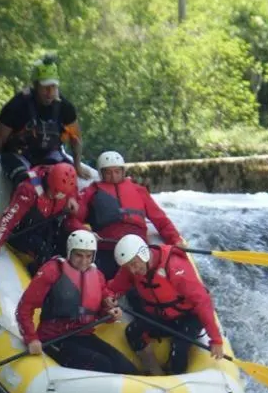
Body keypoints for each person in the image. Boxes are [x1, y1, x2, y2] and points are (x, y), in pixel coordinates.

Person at [14, 230, 139, 375]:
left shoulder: (97, 276)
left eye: (88, 256)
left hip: (83, 335)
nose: (84, 261)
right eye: (79, 255)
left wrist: (110, 313)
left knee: (126, 368)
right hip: (54, 339)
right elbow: (24, 307)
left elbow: (100, 312)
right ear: (69, 252)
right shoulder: (52, 271)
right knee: (102, 365)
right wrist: (31, 338)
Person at [105, 234, 225, 376]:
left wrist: (216, 339)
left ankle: (176, 380)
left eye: (134, 264)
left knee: (179, 348)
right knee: (132, 332)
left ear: (144, 254)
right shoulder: (131, 268)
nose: (132, 270)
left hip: (189, 317)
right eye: (128, 267)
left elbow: (202, 302)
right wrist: (109, 296)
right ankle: (155, 371)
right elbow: (114, 287)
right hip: (163, 315)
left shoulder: (174, 267)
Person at [0, 56, 91, 186]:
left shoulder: (65, 107)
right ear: (35, 85)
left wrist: (77, 166)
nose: (50, 92)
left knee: (66, 178)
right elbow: (0, 138)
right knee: (27, 182)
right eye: (45, 87)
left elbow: (76, 138)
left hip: (49, 153)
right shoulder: (16, 105)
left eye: (53, 86)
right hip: (17, 154)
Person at [67, 150, 184, 278]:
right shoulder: (91, 192)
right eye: (108, 172)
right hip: (107, 247)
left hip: (137, 249)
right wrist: (86, 233)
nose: (113, 176)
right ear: (101, 173)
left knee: (141, 285)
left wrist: (175, 239)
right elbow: (72, 220)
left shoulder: (139, 191)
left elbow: (160, 220)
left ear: (123, 171)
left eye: (117, 171)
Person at [0, 163, 79, 266]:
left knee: (65, 243)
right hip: (22, 231)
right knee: (44, 253)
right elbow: (9, 219)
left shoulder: (65, 183)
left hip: (45, 223)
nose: (60, 197)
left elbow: (72, 187)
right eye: (56, 194)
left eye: (63, 194)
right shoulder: (28, 191)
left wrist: (72, 197)